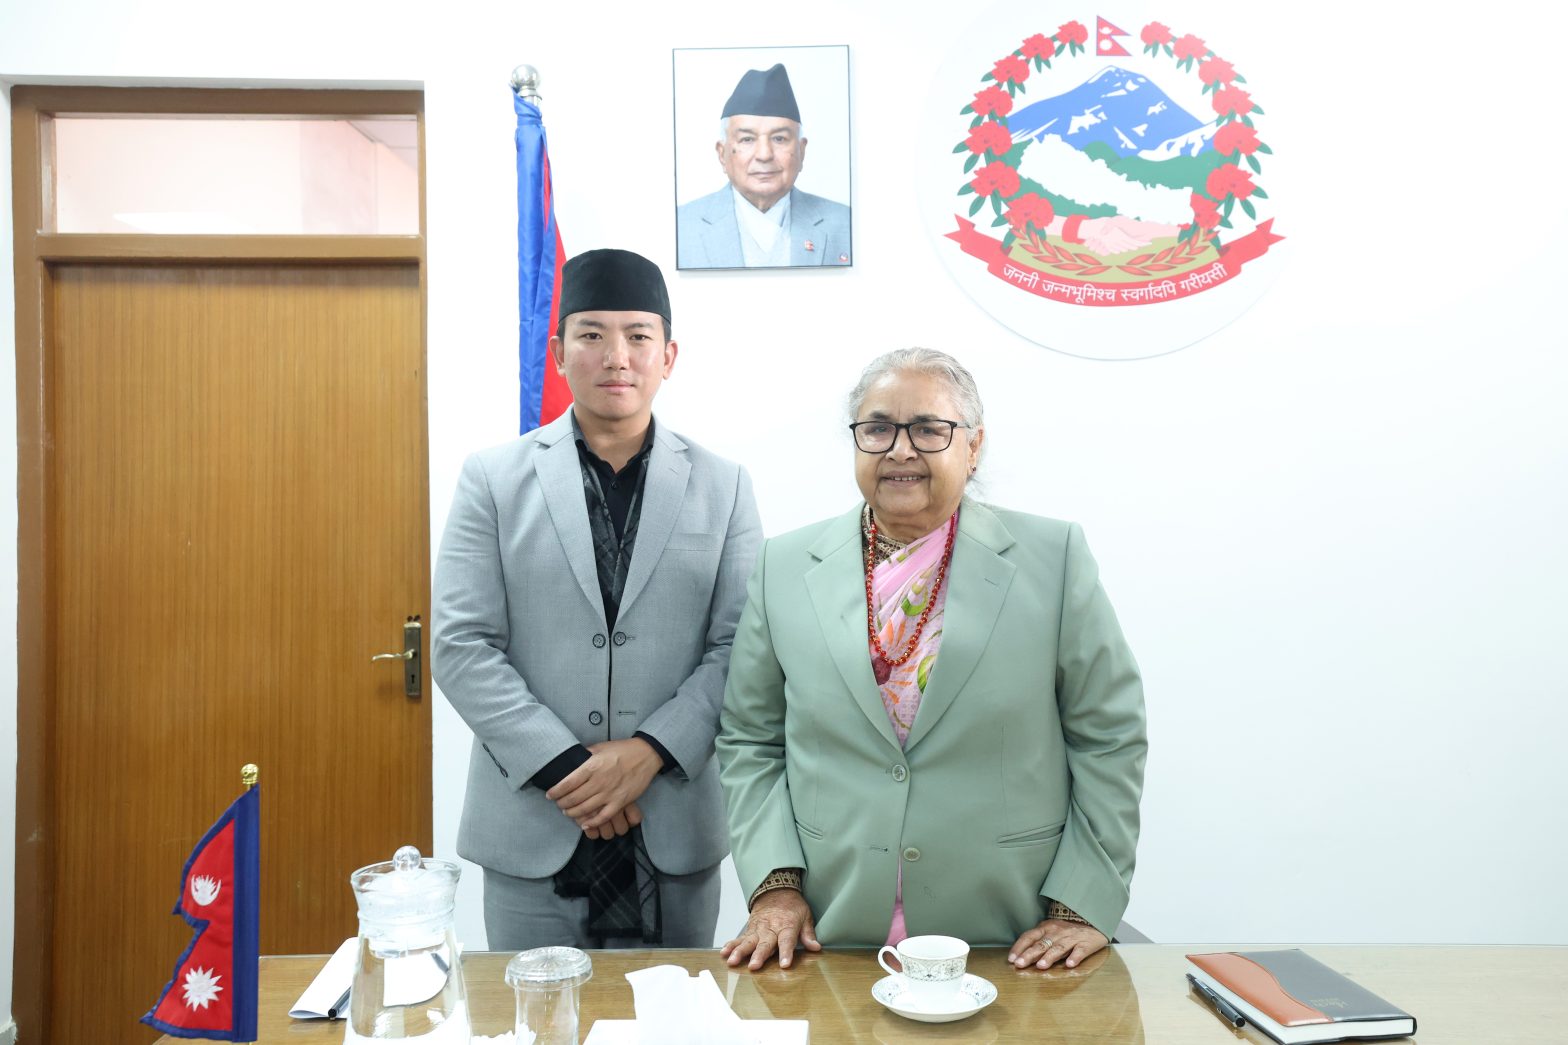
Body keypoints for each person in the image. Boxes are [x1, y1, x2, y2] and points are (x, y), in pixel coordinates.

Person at [717, 348, 1146, 973]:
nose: (900, 450)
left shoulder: (1052, 559)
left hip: (1011, 929)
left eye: (927, 429)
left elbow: (1109, 735)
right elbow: (750, 740)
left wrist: (1080, 903)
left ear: (973, 447)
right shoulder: (782, 567)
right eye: (878, 428)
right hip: (830, 926)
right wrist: (774, 885)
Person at [433, 248, 762, 950]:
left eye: (638, 335)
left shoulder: (724, 484)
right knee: (532, 1006)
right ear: (558, 353)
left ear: (668, 356)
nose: (617, 356)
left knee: (677, 1005)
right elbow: (461, 645)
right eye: (592, 334)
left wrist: (649, 751)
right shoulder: (493, 479)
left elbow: (742, 645)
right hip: (534, 823)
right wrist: (570, 771)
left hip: (670, 824)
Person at [677, 63, 851, 269]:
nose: (764, 155)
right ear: (722, 154)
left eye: (779, 138)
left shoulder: (845, 222)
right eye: (747, 139)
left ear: (801, 151)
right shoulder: (682, 225)